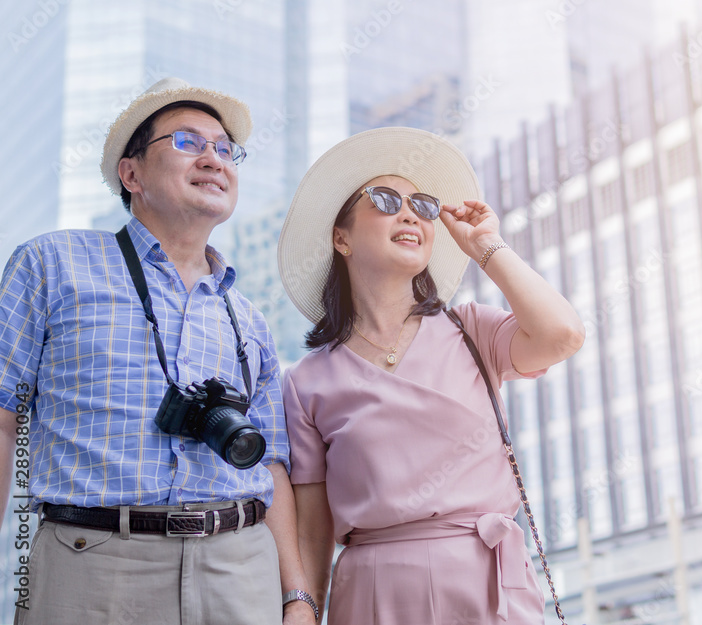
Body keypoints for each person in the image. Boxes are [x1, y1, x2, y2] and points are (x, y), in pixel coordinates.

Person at [0, 78, 315, 624]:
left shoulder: (249, 318)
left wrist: (298, 597)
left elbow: (273, 465)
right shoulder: (50, 265)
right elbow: (4, 420)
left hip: (240, 568)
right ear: (132, 173)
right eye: (188, 142)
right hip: (92, 565)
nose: (214, 159)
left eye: (224, 149)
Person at [277, 126, 586, 624]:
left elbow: (562, 335)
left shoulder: (471, 329)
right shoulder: (306, 382)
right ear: (342, 237)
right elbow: (313, 532)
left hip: (485, 586)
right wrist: (305, 610)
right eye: (383, 199)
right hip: (373, 594)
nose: (408, 213)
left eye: (421, 205)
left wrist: (486, 245)